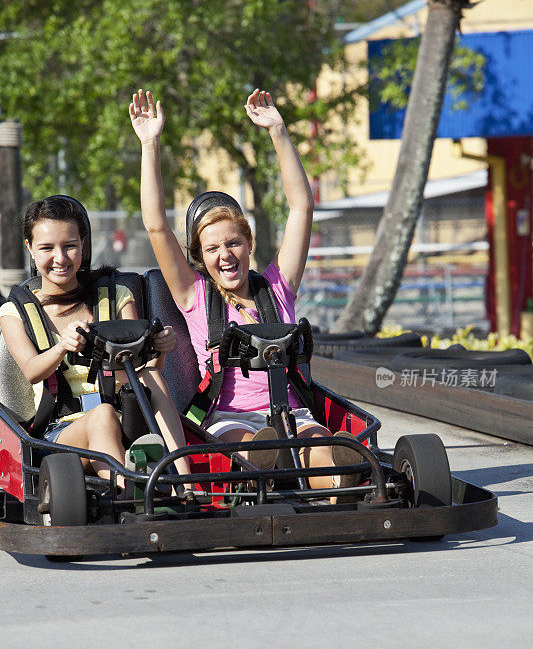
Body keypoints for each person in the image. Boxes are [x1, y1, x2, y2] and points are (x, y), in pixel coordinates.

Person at [130, 88, 360, 494]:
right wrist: (150, 144)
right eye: (212, 248)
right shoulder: (196, 295)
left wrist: (278, 132)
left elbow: (301, 208)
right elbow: (155, 226)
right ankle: (264, 469)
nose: (225, 255)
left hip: (293, 414)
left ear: (249, 244)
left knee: (316, 448)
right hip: (231, 418)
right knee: (255, 447)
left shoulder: (277, 287)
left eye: (233, 243)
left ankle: (341, 477)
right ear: (200, 257)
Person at [0, 195, 191, 490]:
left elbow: (140, 365)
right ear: (30, 249)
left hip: (122, 416)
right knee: (101, 415)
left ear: (83, 245)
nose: (60, 258)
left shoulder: (116, 296)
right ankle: (130, 487)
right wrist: (62, 346)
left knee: (150, 376)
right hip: (60, 433)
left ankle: (186, 482)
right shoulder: (14, 312)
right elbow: (31, 370)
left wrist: (159, 349)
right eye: (47, 248)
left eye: (70, 246)